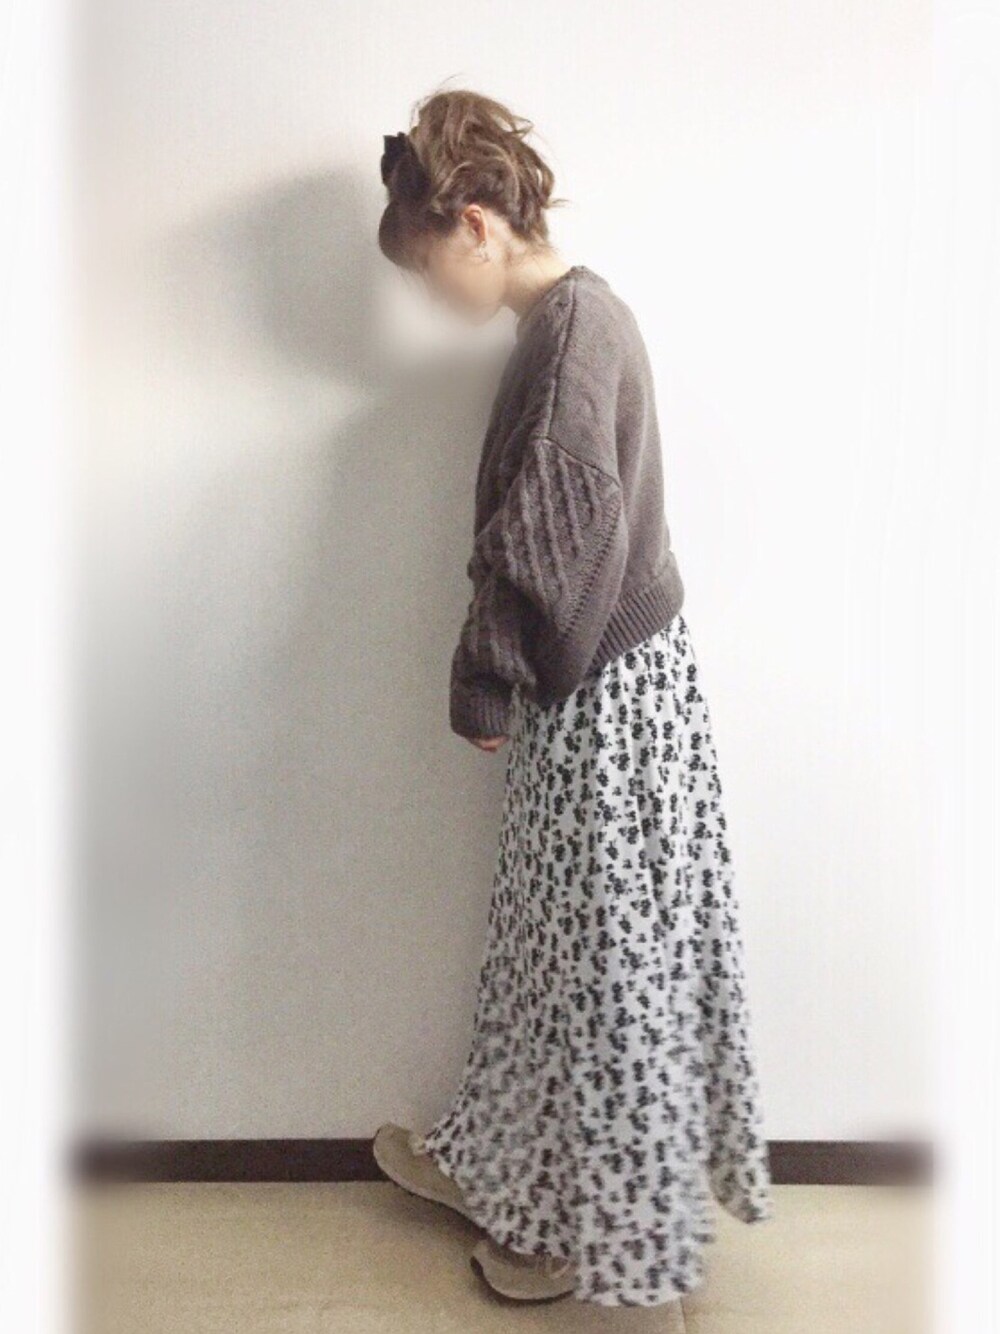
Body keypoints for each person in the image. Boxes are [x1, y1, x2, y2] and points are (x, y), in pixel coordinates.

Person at [372, 89, 771, 1308]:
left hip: (603, 701)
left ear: (475, 225)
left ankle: (572, 1238)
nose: (428, 294)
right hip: (607, 686)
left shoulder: (571, 333)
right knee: (557, 957)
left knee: (597, 970)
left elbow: (544, 532)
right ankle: (506, 1169)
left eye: (427, 265)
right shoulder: (573, 321)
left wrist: (482, 677)